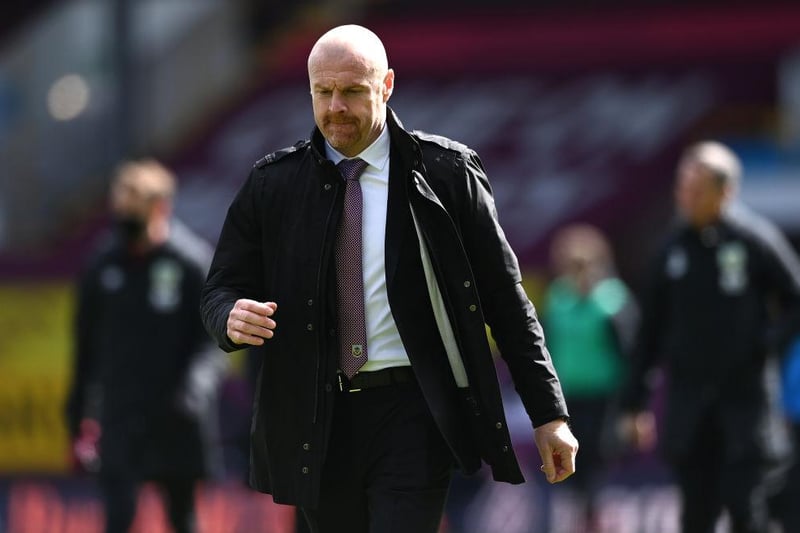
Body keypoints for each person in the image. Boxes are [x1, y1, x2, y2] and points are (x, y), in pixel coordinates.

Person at [200, 24, 578, 533]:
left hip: (414, 412)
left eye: (352, 91)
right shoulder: (273, 184)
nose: (335, 106)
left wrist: (549, 414)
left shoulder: (445, 173)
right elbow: (219, 288)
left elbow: (505, 300)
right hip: (317, 418)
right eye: (323, 91)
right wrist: (230, 316)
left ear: (387, 85)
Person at [618, 141, 800, 533]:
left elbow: (794, 299)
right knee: (695, 514)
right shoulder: (670, 250)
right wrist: (635, 403)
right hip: (689, 409)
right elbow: (649, 331)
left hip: (745, 406)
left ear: (725, 191)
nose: (686, 196)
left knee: (745, 507)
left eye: (696, 188)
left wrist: (766, 343)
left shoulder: (754, 240)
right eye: (683, 186)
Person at [66, 159, 226, 533]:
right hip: (120, 414)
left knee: (182, 518)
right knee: (118, 515)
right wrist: (78, 412)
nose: (124, 219)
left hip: (176, 413)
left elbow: (212, 340)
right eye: (120, 210)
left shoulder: (189, 263)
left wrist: (194, 389)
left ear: (160, 208)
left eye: (132, 211)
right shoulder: (103, 265)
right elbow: (85, 345)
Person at [542, 223, 639, 532]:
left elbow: (631, 354)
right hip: (568, 398)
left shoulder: (613, 300)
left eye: (583, 265)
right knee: (571, 466)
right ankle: (580, 521)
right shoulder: (557, 299)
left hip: (605, 397)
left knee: (600, 460)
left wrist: (633, 406)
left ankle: (600, 521)